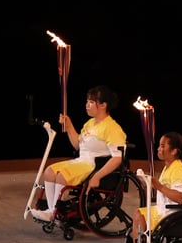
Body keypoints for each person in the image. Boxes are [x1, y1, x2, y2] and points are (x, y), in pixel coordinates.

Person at [29, 85, 127, 223]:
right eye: (87, 101)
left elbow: (118, 158)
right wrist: (69, 126)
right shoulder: (90, 124)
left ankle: (53, 212)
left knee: (62, 176)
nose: (87, 105)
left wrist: (98, 176)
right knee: (50, 171)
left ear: (103, 105)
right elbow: (78, 145)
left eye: (91, 102)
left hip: (94, 165)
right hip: (81, 161)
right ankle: (52, 210)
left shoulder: (112, 128)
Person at [115, 131, 182, 243]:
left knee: (139, 216)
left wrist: (159, 186)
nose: (159, 149)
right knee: (138, 213)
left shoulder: (179, 170)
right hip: (164, 209)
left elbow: (180, 198)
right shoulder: (168, 167)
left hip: (173, 214)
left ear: (174, 151)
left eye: (163, 146)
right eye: (159, 145)